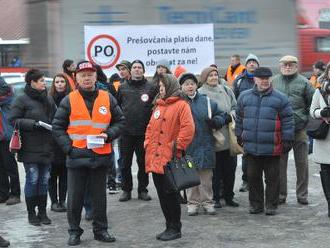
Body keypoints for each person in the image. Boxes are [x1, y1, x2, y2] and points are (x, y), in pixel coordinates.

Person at [52, 60, 125, 246]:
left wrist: (109, 135)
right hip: (76, 157)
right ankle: (74, 232)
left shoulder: (107, 97)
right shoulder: (69, 99)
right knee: (74, 199)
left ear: (95, 77)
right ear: (76, 77)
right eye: (83, 75)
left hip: (100, 156)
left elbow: (120, 122)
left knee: (99, 198)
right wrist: (68, 148)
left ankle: (101, 230)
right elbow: (57, 127)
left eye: (90, 75)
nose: (86, 78)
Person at [235, 67, 294, 215]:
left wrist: (287, 139)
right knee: (253, 178)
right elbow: (239, 118)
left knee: (272, 178)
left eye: (267, 78)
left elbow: (288, 120)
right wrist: (238, 134)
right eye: (261, 79)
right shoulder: (244, 97)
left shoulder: (281, 98)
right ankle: (256, 205)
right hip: (252, 147)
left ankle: (271, 206)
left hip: (273, 147)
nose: (265, 81)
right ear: (254, 79)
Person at [145, 73, 195, 241]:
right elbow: (150, 128)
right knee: (162, 194)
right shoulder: (158, 106)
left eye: (163, 86)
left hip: (169, 158)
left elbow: (188, 129)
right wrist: (147, 144)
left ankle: (175, 228)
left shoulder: (182, 105)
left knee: (171, 194)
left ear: (171, 86)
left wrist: (176, 147)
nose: (160, 89)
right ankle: (168, 226)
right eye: (159, 87)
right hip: (155, 158)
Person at [9, 69, 56, 226]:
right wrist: (33, 124)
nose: (44, 83)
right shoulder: (21, 100)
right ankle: (31, 214)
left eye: (43, 80)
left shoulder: (48, 99)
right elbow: (13, 120)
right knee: (33, 179)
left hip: (47, 145)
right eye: (41, 80)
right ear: (32, 82)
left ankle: (42, 213)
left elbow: (56, 118)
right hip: (29, 146)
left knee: (44, 180)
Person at [179, 72, 226, 215]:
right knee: (191, 177)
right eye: (186, 84)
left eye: (192, 83)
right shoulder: (178, 103)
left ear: (196, 85)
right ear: (182, 87)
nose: (190, 86)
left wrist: (216, 122)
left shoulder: (206, 101)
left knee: (206, 179)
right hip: (188, 146)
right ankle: (192, 204)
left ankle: (207, 202)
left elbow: (222, 115)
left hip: (205, 144)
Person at [272, 55, 315, 205]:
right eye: (285, 64)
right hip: (280, 130)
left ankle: (302, 195)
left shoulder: (304, 82)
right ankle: (281, 195)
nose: (288, 67)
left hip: (299, 130)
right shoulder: (273, 81)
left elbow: (313, 104)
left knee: (302, 163)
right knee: (279, 164)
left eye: (291, 65)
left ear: (296, 66)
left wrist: (305, 121)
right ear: (280, 66)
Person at [116, 60, 157, 202]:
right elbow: (118, 107)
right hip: (126, 132)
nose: (137, 70)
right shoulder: (122, 88)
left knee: (143, 163)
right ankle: (126, 190)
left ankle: (142, 190)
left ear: (143, 71)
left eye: (140, 67)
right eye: (134, 67)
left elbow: (155, 108)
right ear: (130, 70)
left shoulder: (151, 87)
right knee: (125, 163)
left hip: (144, 133)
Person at [198, 67, 239, 208]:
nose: (214, 77)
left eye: (215, 75)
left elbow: (235, 107)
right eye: (210, 76)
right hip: (211, 136)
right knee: (214, 171)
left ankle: (229, 196)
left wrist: (230, 116)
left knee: (230, 169)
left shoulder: (226, 90)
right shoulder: (200, 93)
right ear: (205, 78)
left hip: (228, 135)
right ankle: (214, 197)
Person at [232, 53, 260, 193]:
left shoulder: (262, 79)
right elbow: (235, 101)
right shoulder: (238, 80)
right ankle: (245, 181)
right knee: (246, 154)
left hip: (261, 122)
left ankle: (257, 182)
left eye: (254, 62)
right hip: (245, 122)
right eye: (250, 62)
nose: (252, 64)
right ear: (246, 65)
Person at [48, 74, 70, 212]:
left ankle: (63, 200)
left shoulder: (71, 99)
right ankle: (54, 202)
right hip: (51, 142)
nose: (60, 84)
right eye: (57, 82)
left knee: (64, 174)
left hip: (67, 140)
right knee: (52, 174)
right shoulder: (48, 100)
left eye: (62, 81)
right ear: (54, 84)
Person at [310, 80, 330, 217]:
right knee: (326, 171)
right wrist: (322, 112)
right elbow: (312, 111)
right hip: (325, 139)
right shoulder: (320, 91)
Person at [0, 77, 21, 205]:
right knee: (0, 167)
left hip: (6, 136)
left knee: (10, 166)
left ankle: (15, 194)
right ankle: (3, 194)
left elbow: (5, 89)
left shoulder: (8, 97)